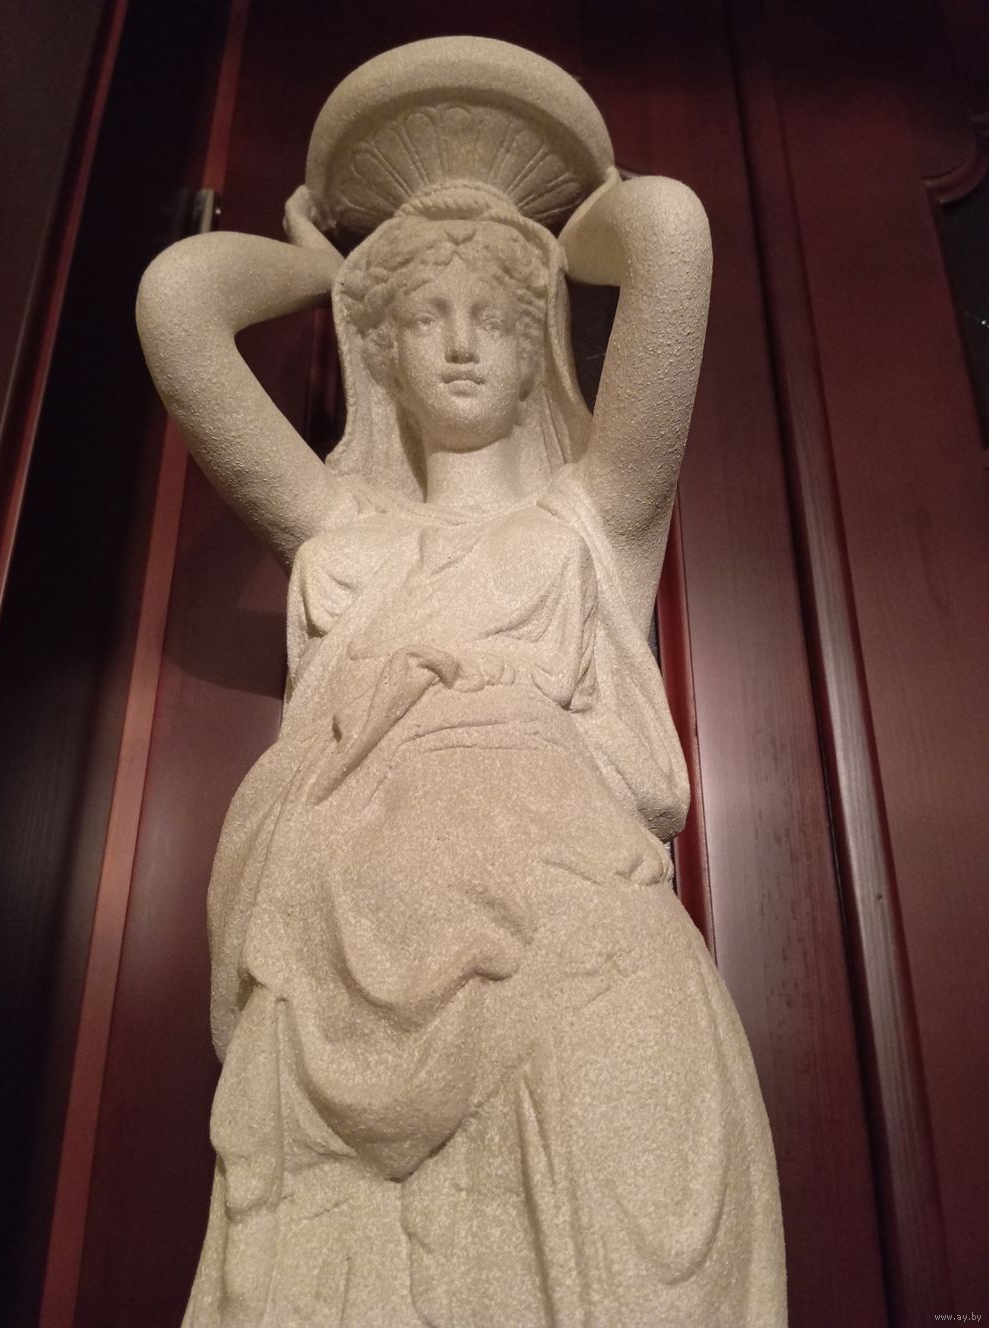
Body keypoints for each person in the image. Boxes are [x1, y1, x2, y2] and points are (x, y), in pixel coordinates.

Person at [137, 168, 785, 1327]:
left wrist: (572, 234)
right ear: (382, 353)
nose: (459, 343)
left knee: (641, 1259)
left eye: (492, 316)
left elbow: (670, 233)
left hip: (571, 935)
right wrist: (324, 272)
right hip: (347, 961)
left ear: (536, 351)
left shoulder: (591, 521)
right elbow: (179, 306)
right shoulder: (343, 536)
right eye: (424, 317)